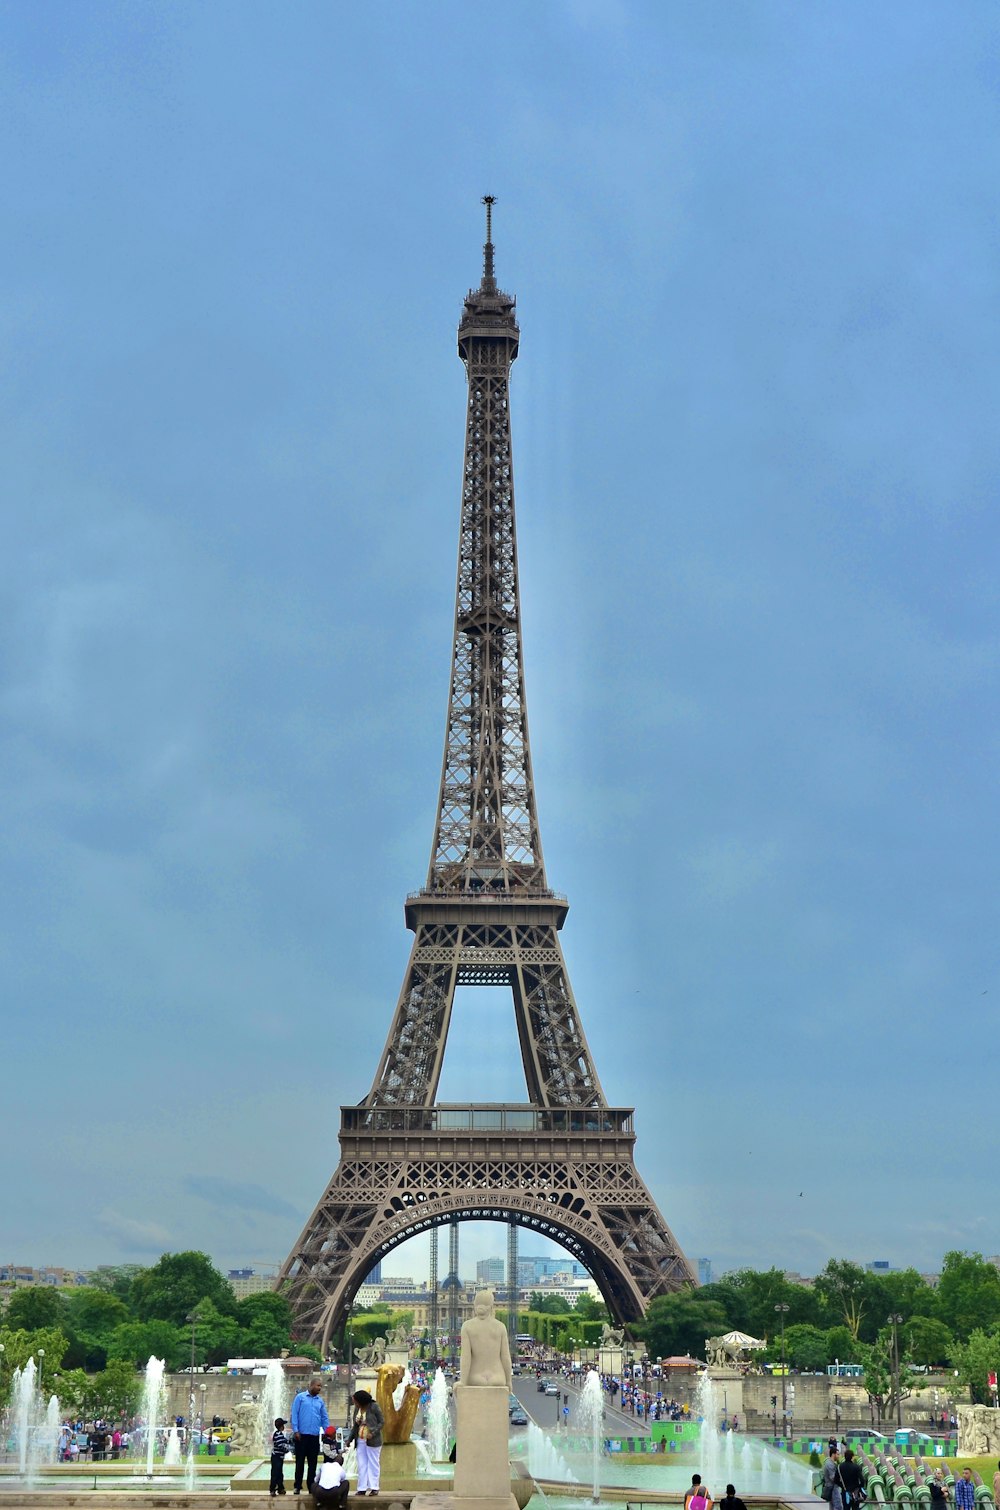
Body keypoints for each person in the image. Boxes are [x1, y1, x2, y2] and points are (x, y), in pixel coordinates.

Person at [459, 1289, 512, 1388]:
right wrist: (509, 1381)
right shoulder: (500, 1326)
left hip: (475, 1377)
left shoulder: (467, 1326)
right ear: (491, 1307)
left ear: (475, 1306)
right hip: (498, 1377)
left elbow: (466, 1357)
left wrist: (463, 1381)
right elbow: (506, 1358)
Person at [291, 1379, 329, 1497]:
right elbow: (294, 1414)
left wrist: (328, 1432)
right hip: (301, 1436)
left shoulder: (320, 1401)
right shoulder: (300, 1398)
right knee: (300, 1463)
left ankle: (311, 1486)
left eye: (321, 1386)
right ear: (311, 1385)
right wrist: (296, 1430)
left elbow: (324, 1418)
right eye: (318, 1385)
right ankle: (297, 1486)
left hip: (314, 1436)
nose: (319, 1388)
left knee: (312, 1464)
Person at [347, 1389, 385, 1496]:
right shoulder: (357, 1409)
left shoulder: (374, 1407)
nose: (354, 1403)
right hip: (360, 1439)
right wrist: (349, 1439)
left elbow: (382, 1422)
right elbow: (355, 1426)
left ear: (361, 1401)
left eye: (355, 1401)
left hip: (372, 1440)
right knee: (361, 1464)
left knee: (373, 1463)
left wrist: (372, 1432)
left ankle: (374, 1487)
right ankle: (362, 1488)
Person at [270, 1416, 291, 1498]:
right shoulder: (278, 1434)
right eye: (283, 1425)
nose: (284, 1427)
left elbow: (285, 1441)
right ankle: (273, 1489)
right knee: (275, 1473)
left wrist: (289, 1441)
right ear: (281, 1426)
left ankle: (280, 1488)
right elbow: (280, 1445)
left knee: (279, 1474)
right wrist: (287, 1450)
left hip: (279, 1457)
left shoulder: (279, 1434)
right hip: (276, 1457)